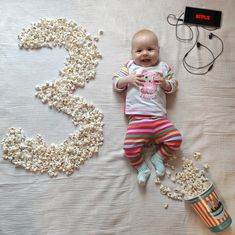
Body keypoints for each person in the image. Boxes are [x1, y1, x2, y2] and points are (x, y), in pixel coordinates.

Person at [112, 29, 182, 186]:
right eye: (139, 51)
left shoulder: (163, 67)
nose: (145, 54)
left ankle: (158, 157)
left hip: (159, 119)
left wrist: (165, 83)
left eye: (150, 49)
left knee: (176, 140)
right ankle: (142, 168)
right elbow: (115, 83)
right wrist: (127, 79)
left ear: (158, 50)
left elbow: (174, 85)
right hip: (137, 120)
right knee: (129, 148)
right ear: (132, 53)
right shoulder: (130, 66)